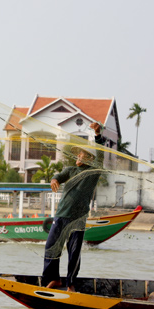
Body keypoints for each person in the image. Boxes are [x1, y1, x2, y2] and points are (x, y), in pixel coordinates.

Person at [42, 122, 105, 291]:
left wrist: (98, 134)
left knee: (74, 252)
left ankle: (71, 283)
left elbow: (101, 154)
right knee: (51, 247)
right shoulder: (70, 171)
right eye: (77, 155)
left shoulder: (93, 172)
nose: (78, 157)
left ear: (90, 159)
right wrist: (54, 180)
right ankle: (54, 279)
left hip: (78, 218)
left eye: (82, 155)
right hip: (61, 215)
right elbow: (58, 176)